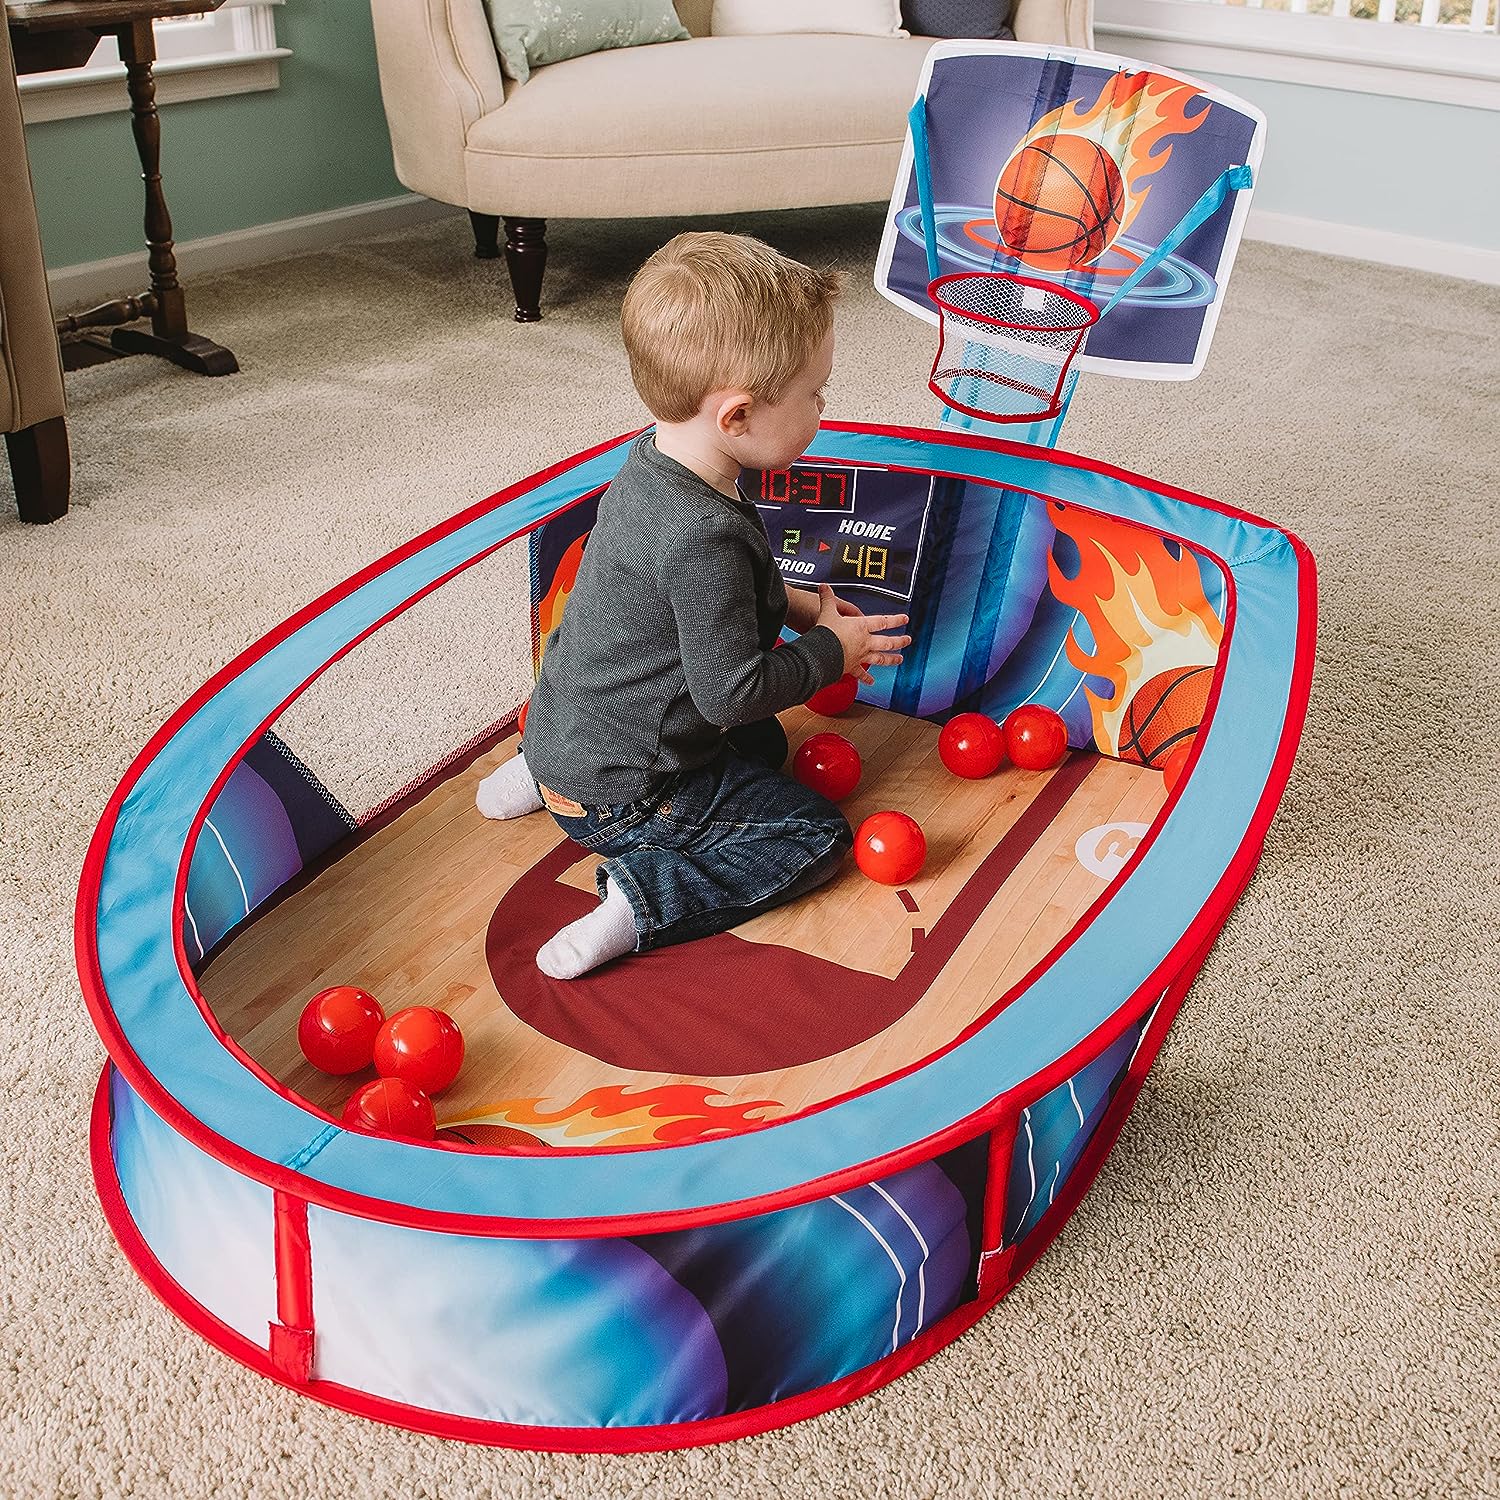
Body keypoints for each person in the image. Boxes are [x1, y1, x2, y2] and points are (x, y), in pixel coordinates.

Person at [476, 231, 911, 979]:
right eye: (813, 393)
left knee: (769, 751)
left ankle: (542, 772)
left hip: (567, 733)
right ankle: (642, 899)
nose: (823, 405)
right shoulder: (703, 536)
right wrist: (830, 654)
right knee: (813, 834)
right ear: (737, 416)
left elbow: (682, 603)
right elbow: (730, 694)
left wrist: (801, 606)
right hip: (626, 798)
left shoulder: (653, 462)